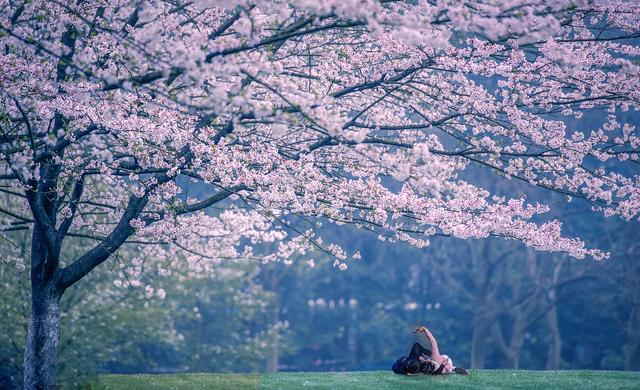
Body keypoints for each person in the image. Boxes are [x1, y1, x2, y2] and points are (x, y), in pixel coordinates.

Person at [392, 326, 469, 376]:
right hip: (444, 361)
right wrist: (425, 330)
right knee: (449, 369)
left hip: (442, 363)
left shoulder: (436, 362)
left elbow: (433, 341)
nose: (426, 359)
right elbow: (433, 341)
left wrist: (420, 357)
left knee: (417, 347)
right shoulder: (437, 361)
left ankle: (418, 359)